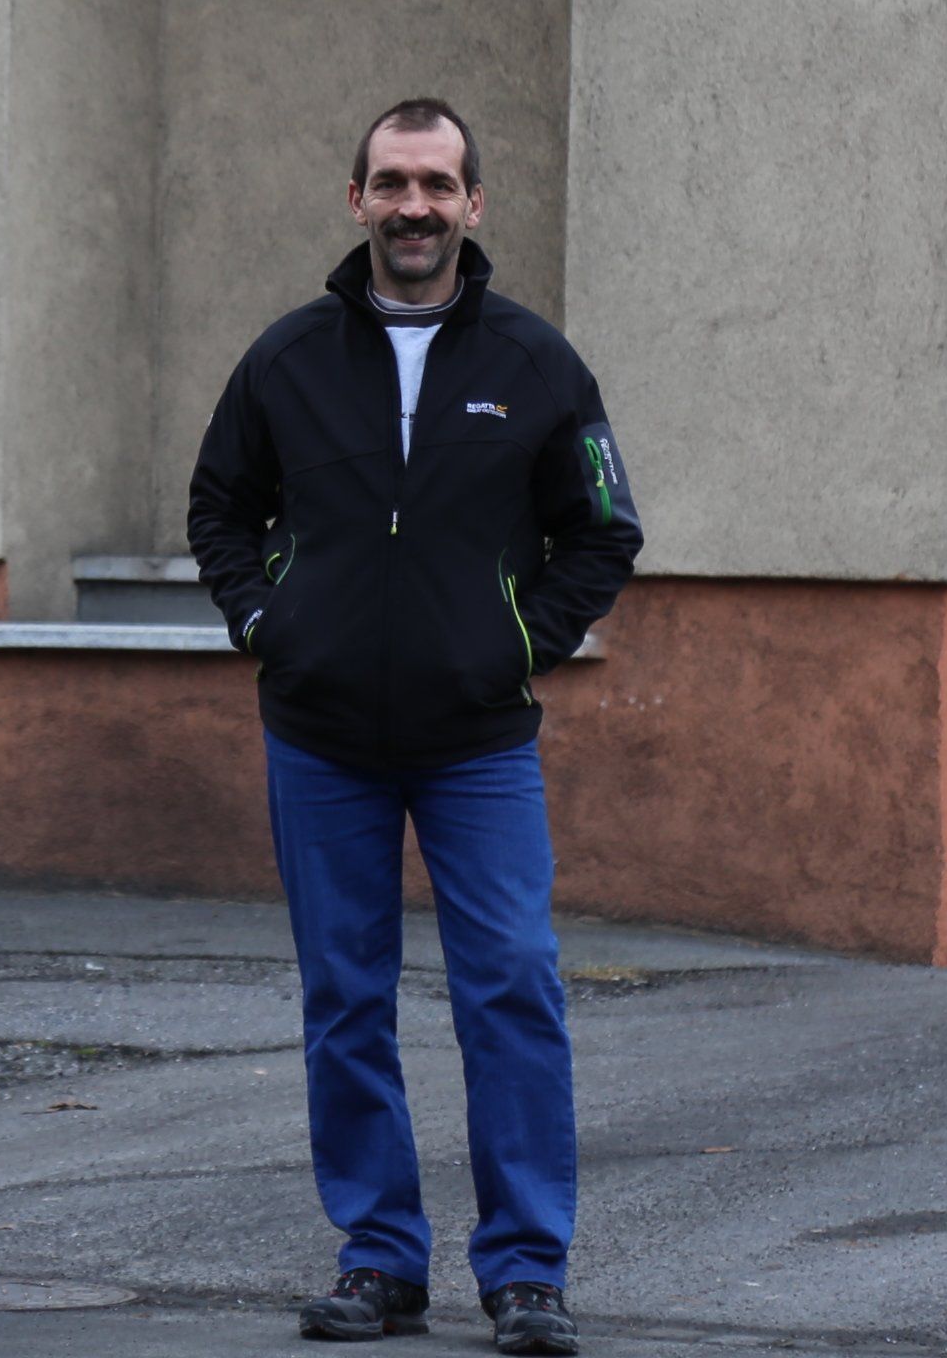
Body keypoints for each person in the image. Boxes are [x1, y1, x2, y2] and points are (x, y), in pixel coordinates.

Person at [186, 98, 642, 1354]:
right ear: (357, 200)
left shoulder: (536, 363)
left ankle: (526, 1269)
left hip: (476, 740)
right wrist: (267, 620)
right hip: (320, 730)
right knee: (346, 997)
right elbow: (218, 507)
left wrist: (518, 641)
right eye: (392, 181)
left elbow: (604, 527)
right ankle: (380, 1257)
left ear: (473, 203)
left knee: (512, 987)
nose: (414, 206)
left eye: (438, 183)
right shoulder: (286, 358)